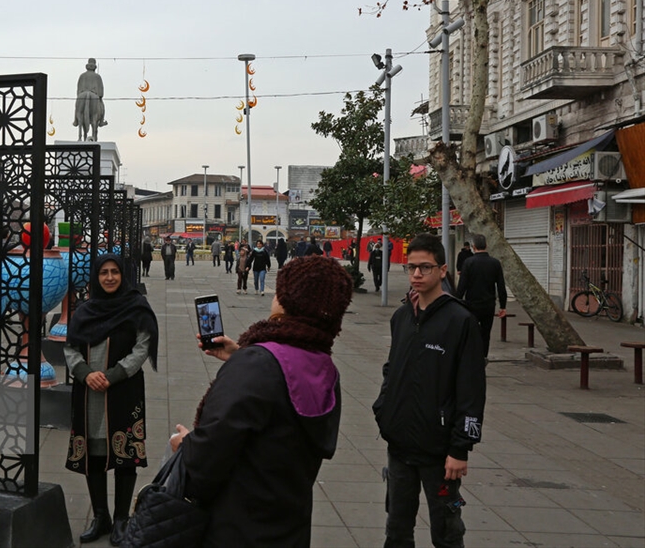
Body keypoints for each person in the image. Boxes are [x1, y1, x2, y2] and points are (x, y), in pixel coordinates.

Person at [169, 256, 352, 547]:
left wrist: (186, 447)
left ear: (287, 299)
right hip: (288, 523)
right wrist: (241, 354)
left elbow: (211, 452)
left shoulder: (257, 364)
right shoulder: (323, 367)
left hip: (236, 525)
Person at [372, 233, 485, 548]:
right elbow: (391, 369)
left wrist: (460, 448)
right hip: (399, 446)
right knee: (396, 531)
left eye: (425, 267)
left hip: (441, 454)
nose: (417, 275)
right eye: (412, 268)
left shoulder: (461, 321)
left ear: (443, 270)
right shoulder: (402, 317)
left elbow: (472, 389)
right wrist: (384, 409)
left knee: (448, 532)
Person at [64, 254, 159, 545]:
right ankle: (101, 517)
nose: (109, 278)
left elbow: (143, 348)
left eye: (114, 272)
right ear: (96, 276)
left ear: (123, 275)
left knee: (125, 455)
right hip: (89, 392)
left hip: (123, 390)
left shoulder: (136, 308)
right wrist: (85, 373)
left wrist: (114, 374)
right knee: (93, 455)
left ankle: (121, 519)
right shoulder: (84, 311)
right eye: (103, 272)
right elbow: (71, 348)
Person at [455, 233, 507, 359]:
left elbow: (462, 286)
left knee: (470, 331)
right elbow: (501, 286)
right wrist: (503, 306)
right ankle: (483, 357)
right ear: (486, 246)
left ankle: (471, 356)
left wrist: (456, 302)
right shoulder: (495, 263)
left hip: (471, 304)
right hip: (488, 304)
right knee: (486, 333)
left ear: (473, 246)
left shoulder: (468, 262)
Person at [73, 58, 107, 142]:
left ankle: (77, 123)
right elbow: (101, 93)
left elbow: (78, 90)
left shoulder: (82, 76)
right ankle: (101, 121)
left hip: (82, 95)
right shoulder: (98, 77)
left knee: (77, 110)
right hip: (94, 95)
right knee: (102, 106)